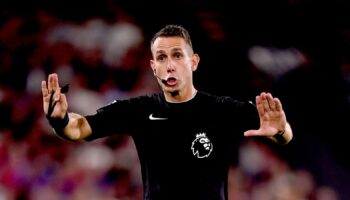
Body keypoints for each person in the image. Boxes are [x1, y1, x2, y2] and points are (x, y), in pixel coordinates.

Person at [42, 24, 293, 200]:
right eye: (161, 58)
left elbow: (284, 136)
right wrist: (60, 119)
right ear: (153, 67)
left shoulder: (222, 109)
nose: (169, 65)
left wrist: (281, 130)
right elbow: (79, 128)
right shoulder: (139, 110)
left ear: (193, 62)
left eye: (176, 56)